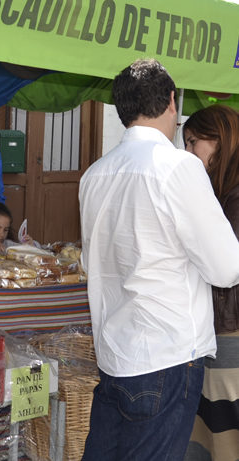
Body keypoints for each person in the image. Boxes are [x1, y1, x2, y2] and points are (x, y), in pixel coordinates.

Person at [79, 58, 239, 461]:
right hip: (167, 357)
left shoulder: (94, 174)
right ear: (172, 101)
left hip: (114, 353)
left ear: (122, 111)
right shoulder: (179, 167)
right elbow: (226, 268)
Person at [183, 105, 239, 461]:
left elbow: (224, 268)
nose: (188, 153)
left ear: (218, 140)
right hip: (222, 331)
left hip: (229, 333)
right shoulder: (226, 191)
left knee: (223, 441)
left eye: (192, 142)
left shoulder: (234, 198)